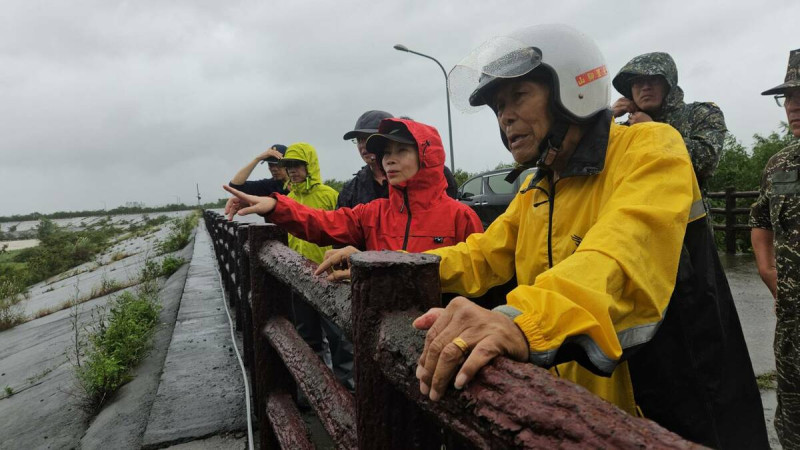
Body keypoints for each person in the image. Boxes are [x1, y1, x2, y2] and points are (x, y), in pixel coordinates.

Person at [410, 25, 767, 449]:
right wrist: (393, 263)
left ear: (572, 89)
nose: (504, 116)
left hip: (668, 409)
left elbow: (618, 254)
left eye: (518, 97)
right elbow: (481, 255)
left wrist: (520, 321)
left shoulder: (651, 147)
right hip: (579, 406)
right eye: (498, 107)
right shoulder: (537, 186)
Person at [224, 118, 482, 257]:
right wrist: (274, 206)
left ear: (426, 156)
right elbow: (324, 222)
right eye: (386, 152)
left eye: (402, 150)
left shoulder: (461, 217)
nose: (389, 159)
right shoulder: (373, 213)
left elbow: (478, 282)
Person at [750, 47, 800, 449]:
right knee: (794, 416)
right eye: (790, 98)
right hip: (792, 321)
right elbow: (760, 221)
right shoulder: (778, 164)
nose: (794, 107)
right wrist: (769, 273)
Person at [611, 52, 727, 193]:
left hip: (684, 214)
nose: (645, 87)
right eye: (638, 82)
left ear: (668, 84)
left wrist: (652, 130)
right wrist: (606, 118)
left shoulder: (701, 113)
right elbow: (588, 165)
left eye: (654, 80)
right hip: (629, 212)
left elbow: (705, 163)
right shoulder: (623, 129)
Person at [338, 110, 458, 210]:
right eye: (359, 140)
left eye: (368, 138)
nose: (363, 145)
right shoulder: (351, 189)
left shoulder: (439, 177)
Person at [226, 144, 289, 218]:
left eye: (278, 164)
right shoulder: (268, 185)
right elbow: (235, 185)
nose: (274, 169)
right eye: (270, 165)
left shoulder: (302, 185)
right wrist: (258, 159)